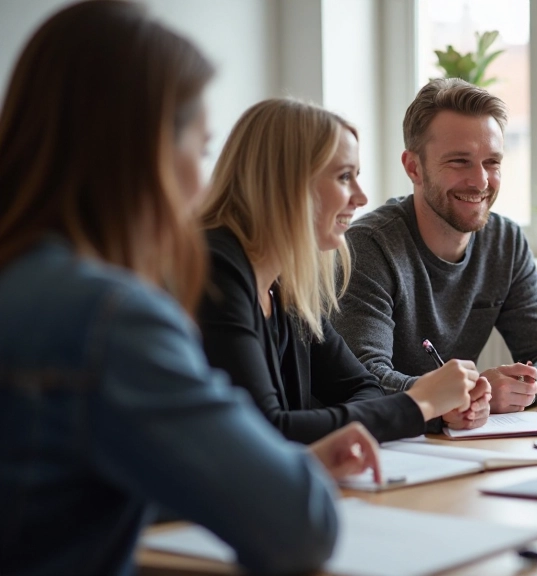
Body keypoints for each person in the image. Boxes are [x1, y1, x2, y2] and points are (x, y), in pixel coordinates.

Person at [0, 3, 380, 574]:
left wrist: (268, 461)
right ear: (145, 151)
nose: (203, 184)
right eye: (202, 150)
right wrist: (280, 469)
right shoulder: (109, 317)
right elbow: (300, 527)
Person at [197, 98, 488, 443]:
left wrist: (431, 409)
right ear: (287, 182)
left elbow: (362, 388)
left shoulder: (286, 283)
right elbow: (266, 433)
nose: (361, 198)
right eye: (344, 177)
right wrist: (421, 403)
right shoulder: (215, 273)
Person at [336, 78, 537, 419]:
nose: (480, 181)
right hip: (378, 443)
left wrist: (526, 387)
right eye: (460, 161)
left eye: (492, 162)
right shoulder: (370, 247)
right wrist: (463, 395)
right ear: (413, 167)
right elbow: (365, 380)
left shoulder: (505, 242)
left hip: (456, 441)